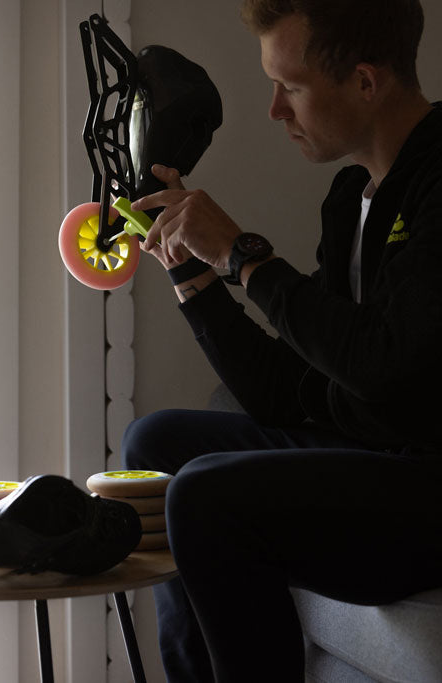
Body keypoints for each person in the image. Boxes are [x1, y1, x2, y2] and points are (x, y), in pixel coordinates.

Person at [121, 1, 442, 681]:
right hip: (368, 451)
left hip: (426, 480)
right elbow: (287, 389)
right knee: (156, 446)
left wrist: (243, 255)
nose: (273, 110)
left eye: (289, 87)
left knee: (205, 496)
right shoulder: (349, 195)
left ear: (365, 81)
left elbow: (383, 366)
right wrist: (190, 269)